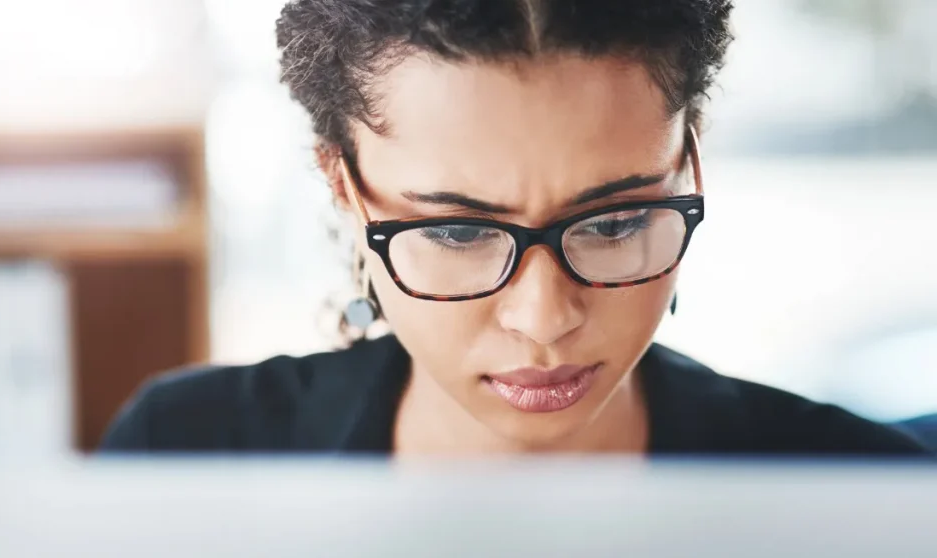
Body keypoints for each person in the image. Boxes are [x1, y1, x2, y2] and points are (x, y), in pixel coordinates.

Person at [101, 0, 929, 456]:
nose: (544, 320)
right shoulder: (185, 455)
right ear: (342, 185)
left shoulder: (866, 494)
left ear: (691, 161)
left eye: (616, 221)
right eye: (460, 233)